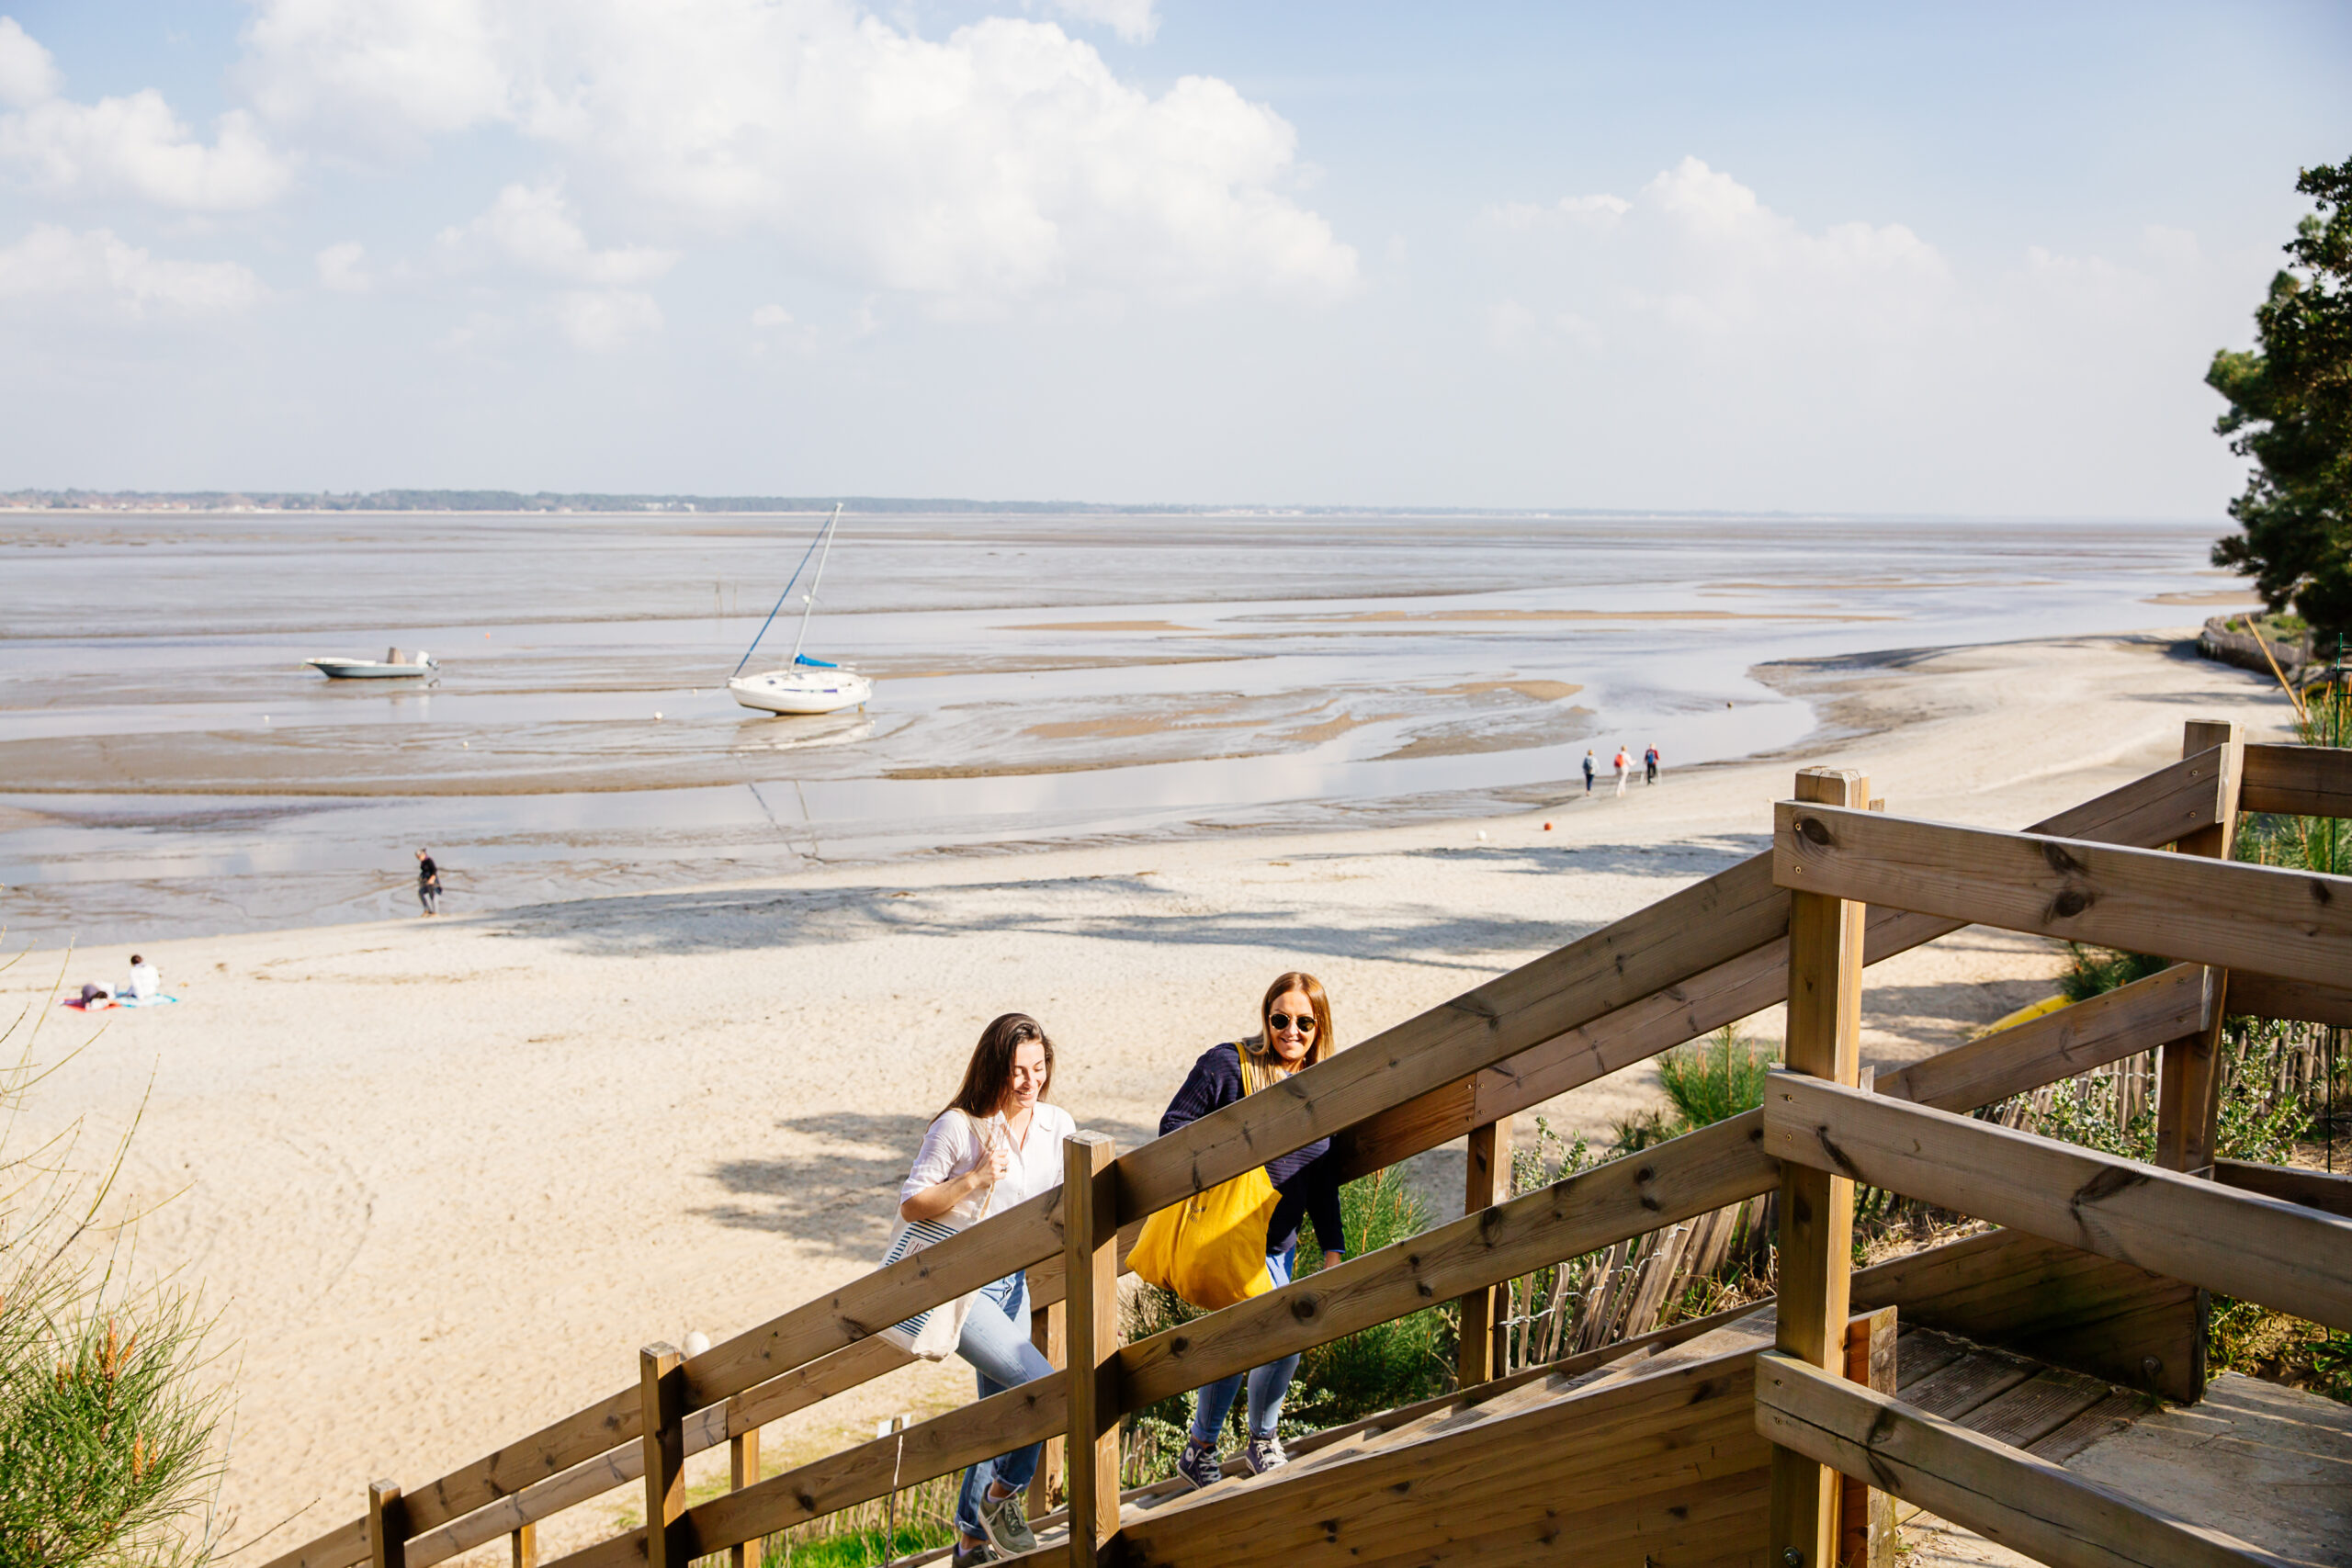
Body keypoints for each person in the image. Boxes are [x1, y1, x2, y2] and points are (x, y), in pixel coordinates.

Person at [899, 1014, 1077, 1565]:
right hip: (963, 1286)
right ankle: (1002, 1499)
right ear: (994, 1068)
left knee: (999, 1407)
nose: (1030, 1082)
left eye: (1038, 1068)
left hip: (1015, 1284)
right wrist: (973, 1178)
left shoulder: (1056, 1123)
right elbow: (911, 1203)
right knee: (1043, 1389)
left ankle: (970, 1540)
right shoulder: (959, 1126)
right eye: (1018, 1070)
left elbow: (1071, 1197)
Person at [1162, 972, 1348, 1489]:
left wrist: (1332, 1248)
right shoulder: (1228, 1065)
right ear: (1266, 1018)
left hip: (1278, 1245)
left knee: (1240, 1340)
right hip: (1229, 1238)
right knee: (1283, 1334)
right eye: (1280, 1019)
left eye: (1305, 1022)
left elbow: (1324, 1178)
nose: (1292, 1031)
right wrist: (1238, 1154)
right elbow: (1173, 1127)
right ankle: (1261, 1439)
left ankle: (1200, 1448)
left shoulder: (1323, 1090)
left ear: (1320, 1027)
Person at [416, 849, 441, 916]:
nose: (418, 858)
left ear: (423, 855)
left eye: (419, 856)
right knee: (420, 892)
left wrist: (432, 879)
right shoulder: (423, 863)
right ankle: (427, 910)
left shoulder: (429, 861)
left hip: (433, 883)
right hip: (426, 883)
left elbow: (434, 870)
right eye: (417, 857)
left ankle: (435, 912)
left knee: (433, 895)